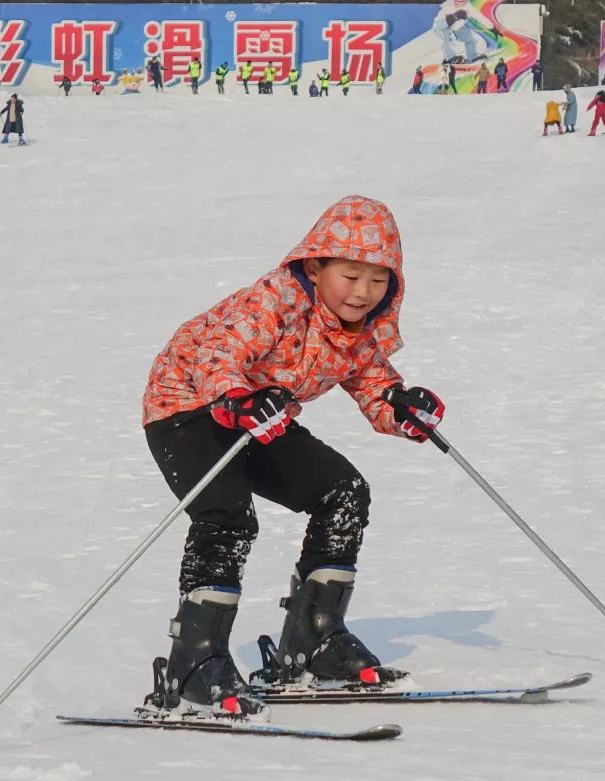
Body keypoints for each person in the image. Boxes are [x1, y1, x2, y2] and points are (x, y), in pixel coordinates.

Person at [141, 194, 445, 716]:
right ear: (317, 264)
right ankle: (194, 661)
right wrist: (235, 396)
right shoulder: (275, 298)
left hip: (260, 416)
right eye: (351, 276)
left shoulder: (358, 330)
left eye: (379, 281)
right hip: (187, 407)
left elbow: (374, 385)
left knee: (342, 491)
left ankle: (315, 643)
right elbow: (221, 354)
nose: (363, 292)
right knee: (227, 516)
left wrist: (402, 408)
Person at [431, 0, 500, 64]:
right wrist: (455, 16)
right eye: (457, 1)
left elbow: (479, 17)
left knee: (471, 38)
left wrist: (492, 28)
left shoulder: (468, 8)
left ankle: (472, 57)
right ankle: (451, 58)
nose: (458, 4)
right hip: (441, 27)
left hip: (456, 28)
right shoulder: (448, 5)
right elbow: (441, 24)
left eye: (461, 2)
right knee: (447, 36)